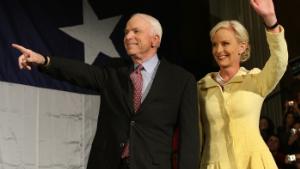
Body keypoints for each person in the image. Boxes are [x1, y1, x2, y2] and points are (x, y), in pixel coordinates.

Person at [12, 13, 200, 169]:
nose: (128, 37)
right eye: (126, 32)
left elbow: (189, 139)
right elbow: (82, 72)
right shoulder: (113, 71)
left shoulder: (181, 80)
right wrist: (45, 61)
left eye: (136, 31)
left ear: (155, 39)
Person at [197, 0, 288, 168]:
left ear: (242, 46)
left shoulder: (255, 80)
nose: (218, 50)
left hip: (254, 163)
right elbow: (196, 136)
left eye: (225, 44)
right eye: (214, 45)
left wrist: (271, 20)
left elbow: (279, 62)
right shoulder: (202, 87)